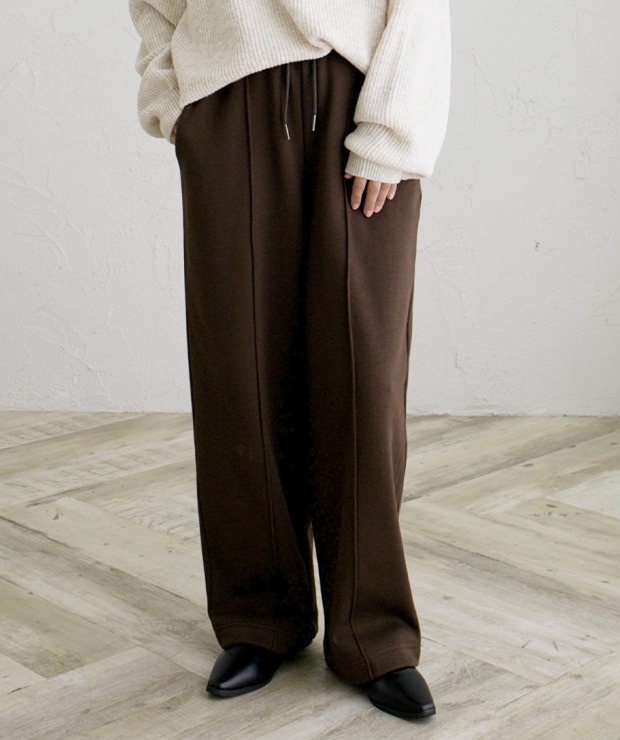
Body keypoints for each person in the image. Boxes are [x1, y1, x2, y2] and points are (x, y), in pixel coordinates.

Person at [129, 0, 451, 721]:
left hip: (357, 90)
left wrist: (394, 134)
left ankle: (373, 633)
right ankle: (258, 617)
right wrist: (173, 99)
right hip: (225, 99)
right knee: (238, 372)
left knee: (364, 375)